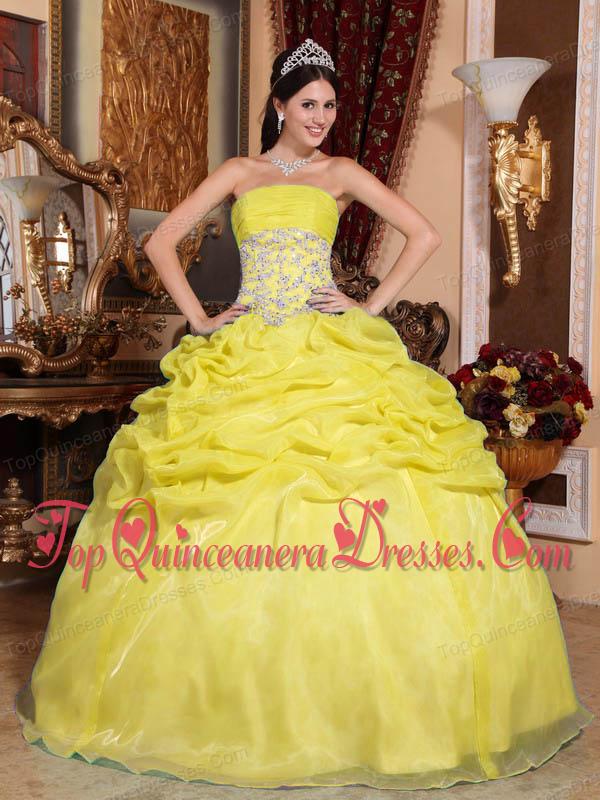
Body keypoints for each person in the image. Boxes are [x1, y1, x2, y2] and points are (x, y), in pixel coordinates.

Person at [15, 38, 593, 791]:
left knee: (363, 489)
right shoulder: (238, 172)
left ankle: (356, 690)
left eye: (330, 106)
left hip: (330, 346)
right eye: (309, 104)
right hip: (248, 346)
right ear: (279, 106)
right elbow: (159, 241)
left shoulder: (342, 173)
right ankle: (223, 692)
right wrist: (203, 319)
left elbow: (425, 235)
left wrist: (366, 307)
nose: (321, 118)